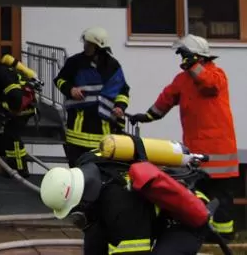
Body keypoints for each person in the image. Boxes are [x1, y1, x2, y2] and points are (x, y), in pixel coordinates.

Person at [130, 34, 238, 241]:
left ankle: (224, 236)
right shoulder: (182, 80)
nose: (182, 61)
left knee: (221, 196)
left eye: (185, 56)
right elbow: (165, 100)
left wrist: (193, 64)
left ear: (198, 57)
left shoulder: (216, 74)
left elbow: (209, 84)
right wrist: (146, 116)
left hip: (220, 151)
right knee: (199, 195)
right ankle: (204, 232)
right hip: (196, 150)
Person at [40, 150, 212, 255]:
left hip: (183, 218)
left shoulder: (122, 209)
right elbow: (94, 244)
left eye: (75, 212)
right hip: (150, 215)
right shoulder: (89, 166)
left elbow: (134, 254)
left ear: (82, 201)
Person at [54, 27, 131, 166]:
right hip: (77, 131)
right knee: (77, 172)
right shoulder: (75, 62)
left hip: (103, 130)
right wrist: (70, 90)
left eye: (88, 44)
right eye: (85, 43)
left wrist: (120, 107)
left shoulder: (112, 66)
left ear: (98, 47)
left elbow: (123, 90)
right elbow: (59, 80)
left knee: (101, 171)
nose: (85, 46)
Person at [0, 56, 39, 176]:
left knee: (12, 136)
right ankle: (11, 168)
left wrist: (1, 109)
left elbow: (15, 98)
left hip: (22, 109)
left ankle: (21, 170)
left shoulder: (0, 75)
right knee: (6, 137)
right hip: (15, 107)